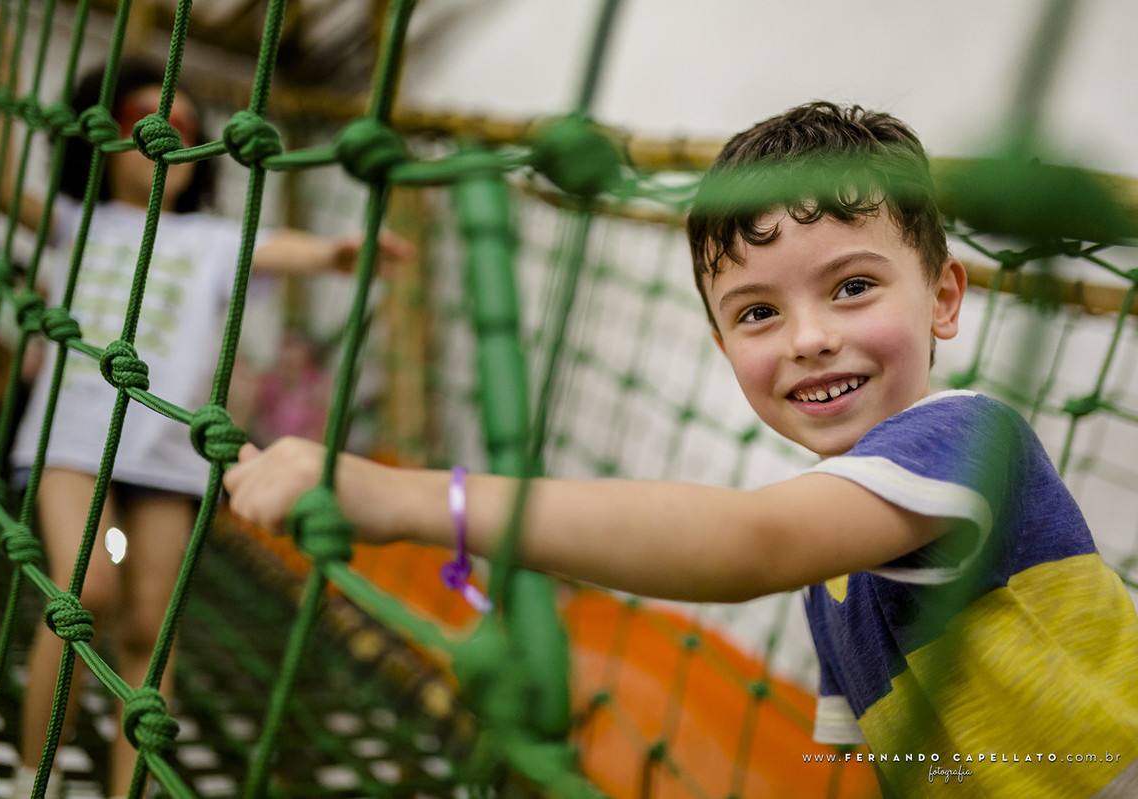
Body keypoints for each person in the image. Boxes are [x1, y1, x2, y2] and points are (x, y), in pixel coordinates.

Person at [225, 101, 1138, 797]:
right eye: (758, 311)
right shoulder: (838, 566)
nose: (809, 338)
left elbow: (748, 540)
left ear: (943, 297)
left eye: (853, 286)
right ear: (722, 343)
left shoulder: (969, 437)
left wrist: (415, 500)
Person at [0, 7, 413, 798]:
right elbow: (0, 184)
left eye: (184, 128)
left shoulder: (210, 239)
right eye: (143, 122)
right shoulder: (81, 223)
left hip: (166, 459)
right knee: (86, 588)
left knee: (150, 622)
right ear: (106, 140)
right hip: (72, 443)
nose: (165, 138)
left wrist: (338, 253)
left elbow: (281, 247)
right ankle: (34, 776)